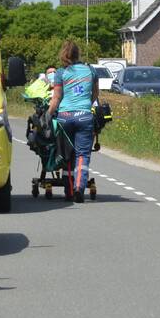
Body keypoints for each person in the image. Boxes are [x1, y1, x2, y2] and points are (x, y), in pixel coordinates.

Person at [47, 41, 99, 203]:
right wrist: (85, 106)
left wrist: (47, 116)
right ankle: (78, 187)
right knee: (82, 154)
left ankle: (68, 190)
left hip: (65, 116)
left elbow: (56, 98)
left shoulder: (61, 73)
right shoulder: (91, 71)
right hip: (84, 116)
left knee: (66, 153)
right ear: (79, 54)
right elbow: (95, 94)